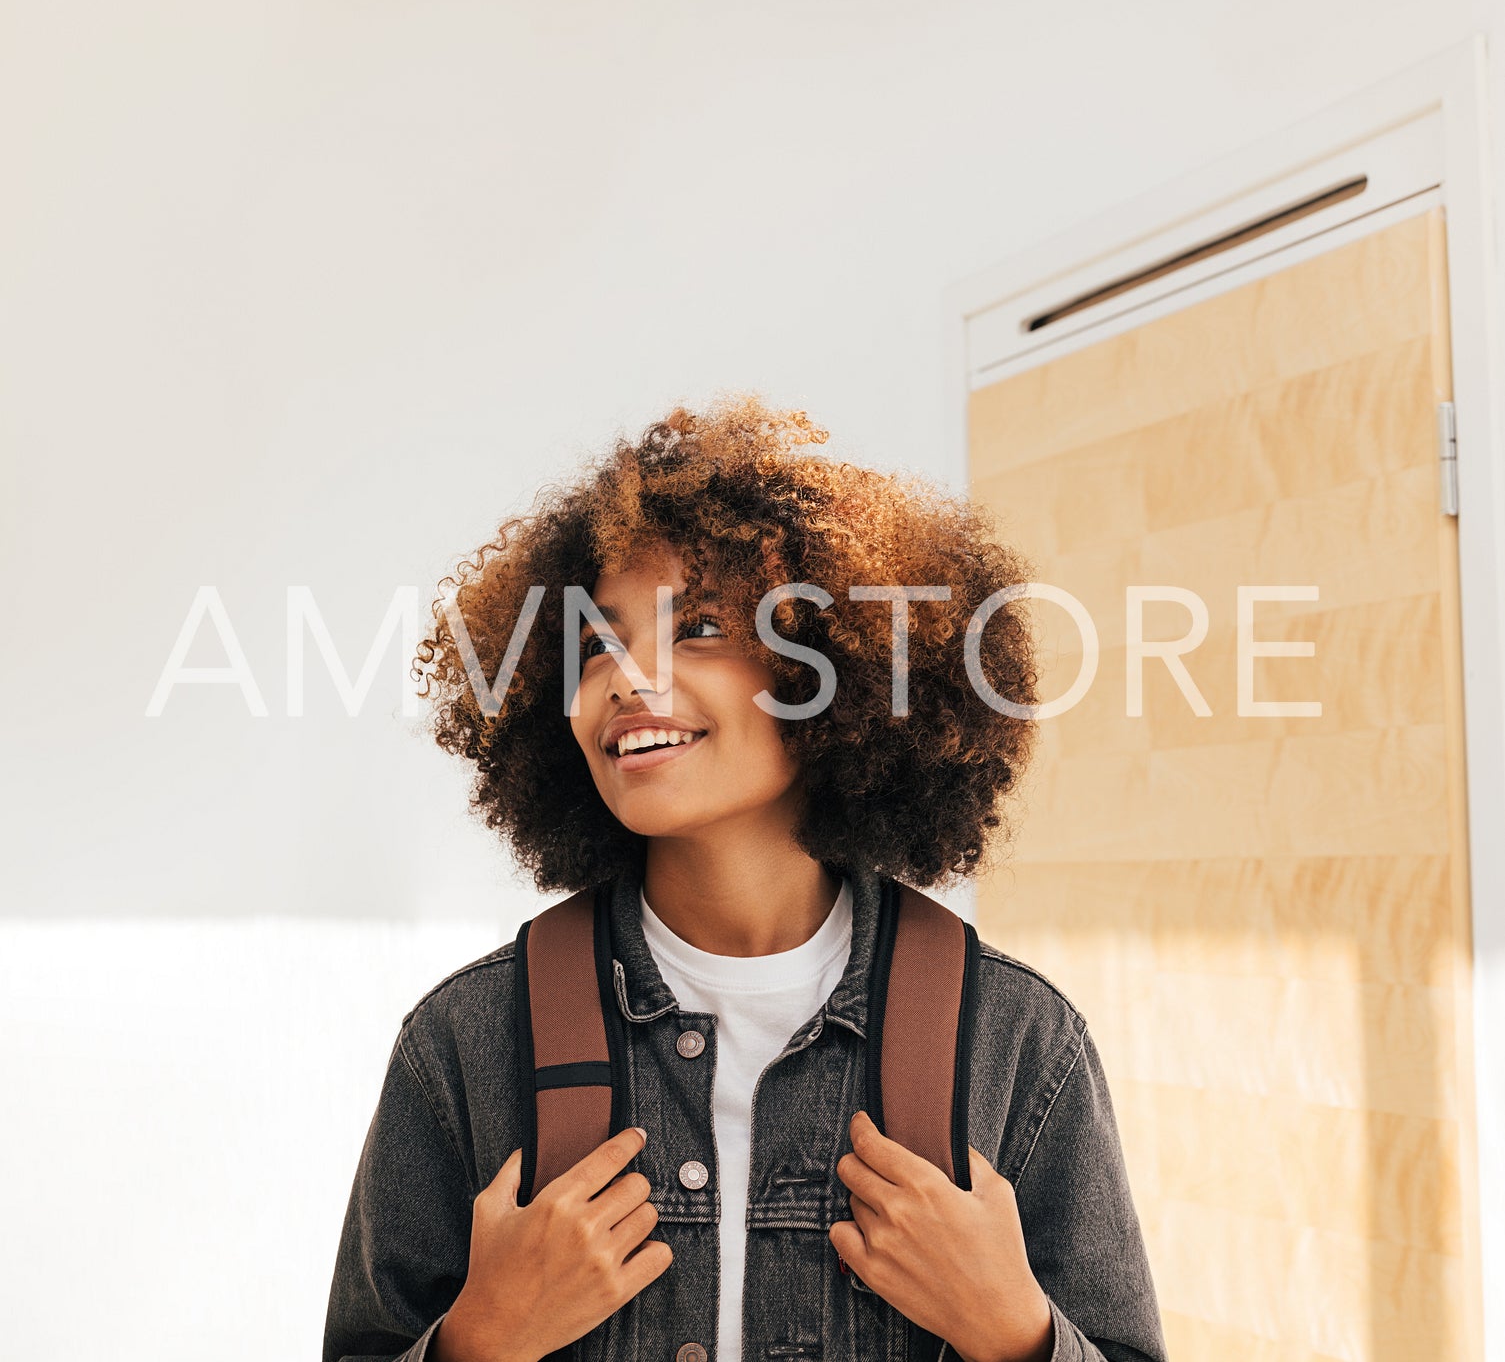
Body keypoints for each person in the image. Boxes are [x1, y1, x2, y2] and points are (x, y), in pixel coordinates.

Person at [322, 395, 1168, 1362]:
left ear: (832, 671)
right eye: (595, 642)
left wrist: (1014, 1333)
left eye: (702, 627)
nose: (627, 678)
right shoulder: (467, 1042)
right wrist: (480, 1341)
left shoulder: (1016, 1039)